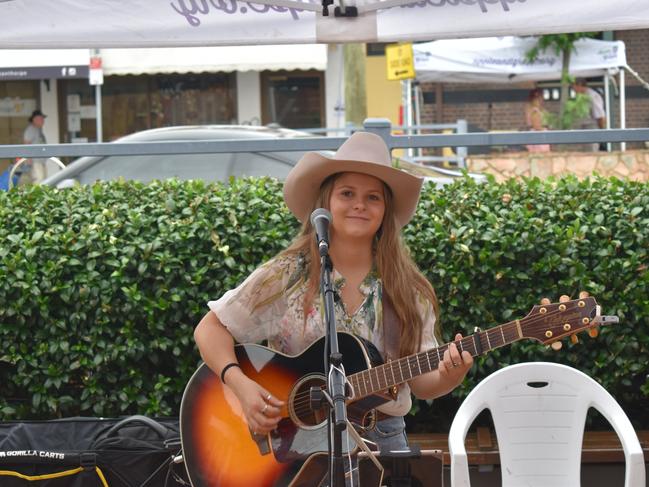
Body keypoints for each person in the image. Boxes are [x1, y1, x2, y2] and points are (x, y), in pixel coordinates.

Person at [193, 132, 474, 480]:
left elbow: (422, 383)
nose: (360, 204)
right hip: (292, 450)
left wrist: (452, 373)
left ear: (385, 211)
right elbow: (210, 328)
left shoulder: (408, 290)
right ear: (324, 204)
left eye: (373, 197)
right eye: (347, 194)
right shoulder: (287, 274)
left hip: (381, 443)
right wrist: (238, 382)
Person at [572, 78, 607, 151]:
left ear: (579, 85)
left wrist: (602, 131)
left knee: (592, 151)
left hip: (592, 128)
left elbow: (600, 116)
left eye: (574, 87)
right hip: (584, 129)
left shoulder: (592, 96)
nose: (574, 90)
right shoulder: (581, 97)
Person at [22, 109, 48, 183]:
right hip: (35, 161)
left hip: (40, 161)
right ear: (34, 119)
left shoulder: (38, 130)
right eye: (41, 118)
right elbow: (26, 144)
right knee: (39, 181)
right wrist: (28, 158)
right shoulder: (31, 129)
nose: (43, 120)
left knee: (44, 181)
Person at [524, 88, 551, 153]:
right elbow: (537, 126)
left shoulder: (537, 109)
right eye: (541, 97)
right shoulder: (535, 111)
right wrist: (545, 129)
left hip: (539, 134)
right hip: (539, 136)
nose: (542, 100)